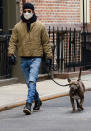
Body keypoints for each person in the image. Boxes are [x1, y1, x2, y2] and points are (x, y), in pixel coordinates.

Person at [8, 2, 52, 115]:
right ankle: (37, 100)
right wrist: (11, 54)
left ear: (33, 12)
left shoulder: (40, 26)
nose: (27, 13)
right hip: (23, 59)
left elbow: (46, 43)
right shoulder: (17, 27)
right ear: (22, 12)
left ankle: (28, 104)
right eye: (25, 11)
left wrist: (49, 57)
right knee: (29, 83)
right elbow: (12, 41)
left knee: (32, 80)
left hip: (36, 58)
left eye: (29, 11)